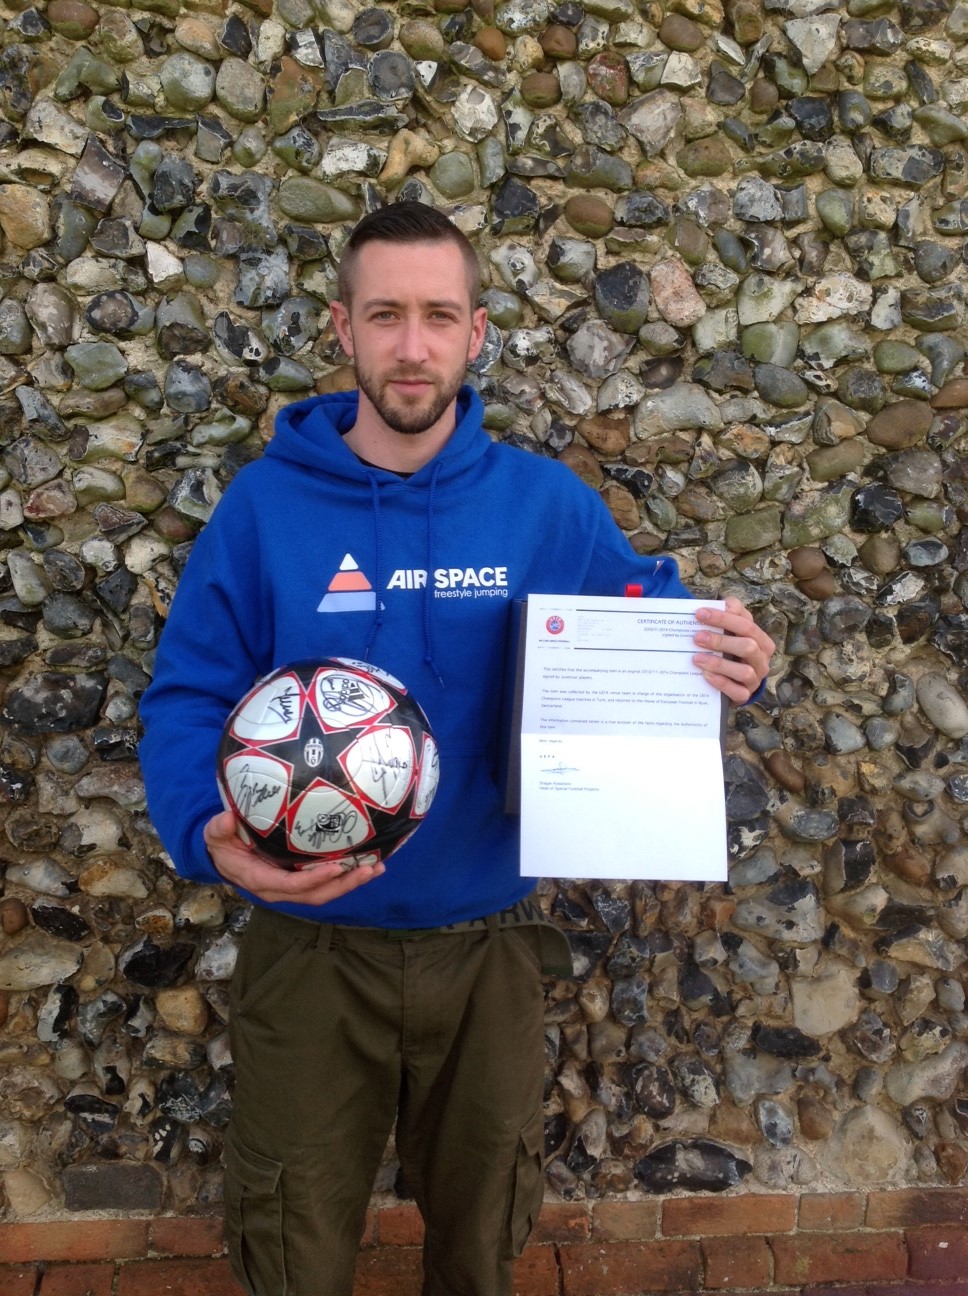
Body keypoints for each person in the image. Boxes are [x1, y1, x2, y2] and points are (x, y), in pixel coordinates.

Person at [139, 202, 774, 1296]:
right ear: (342, 328)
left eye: (438, 315)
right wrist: (208, 833)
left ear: (476, 333)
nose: (411, 345)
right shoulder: (263, 509)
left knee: (480, 1250)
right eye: (385, 315)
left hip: (487, 950)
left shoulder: (541, 507)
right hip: (310, 944)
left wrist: (730, 654)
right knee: (291, 1249)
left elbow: (648, 625)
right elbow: (187, 694)